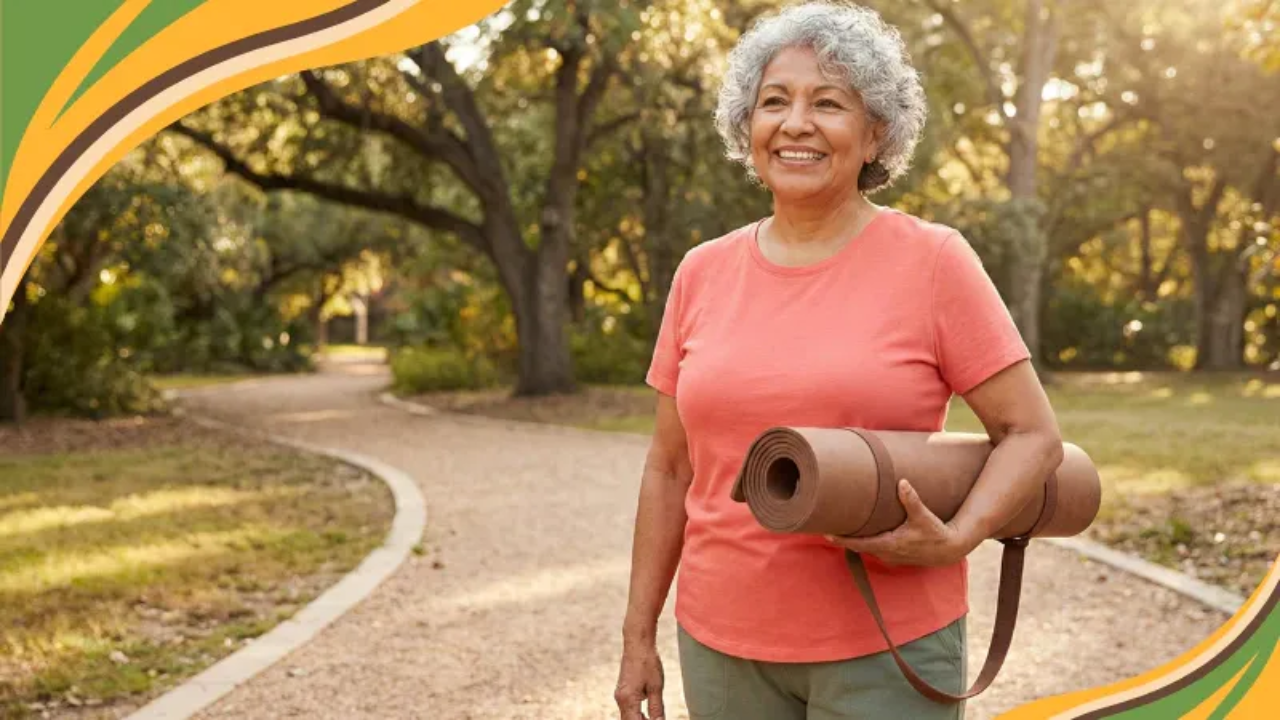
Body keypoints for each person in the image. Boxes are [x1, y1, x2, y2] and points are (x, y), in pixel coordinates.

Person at [614, 2, 1065, 719]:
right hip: (722, 644)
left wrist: (959, 536)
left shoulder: (934, 261)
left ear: (875, 132)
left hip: (888, 648)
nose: (795, 123)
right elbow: (670, 467)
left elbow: (1032, 434)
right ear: (747, 127)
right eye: (773, 102)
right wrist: (638, 636)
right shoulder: (701, 272)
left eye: (828, 102)